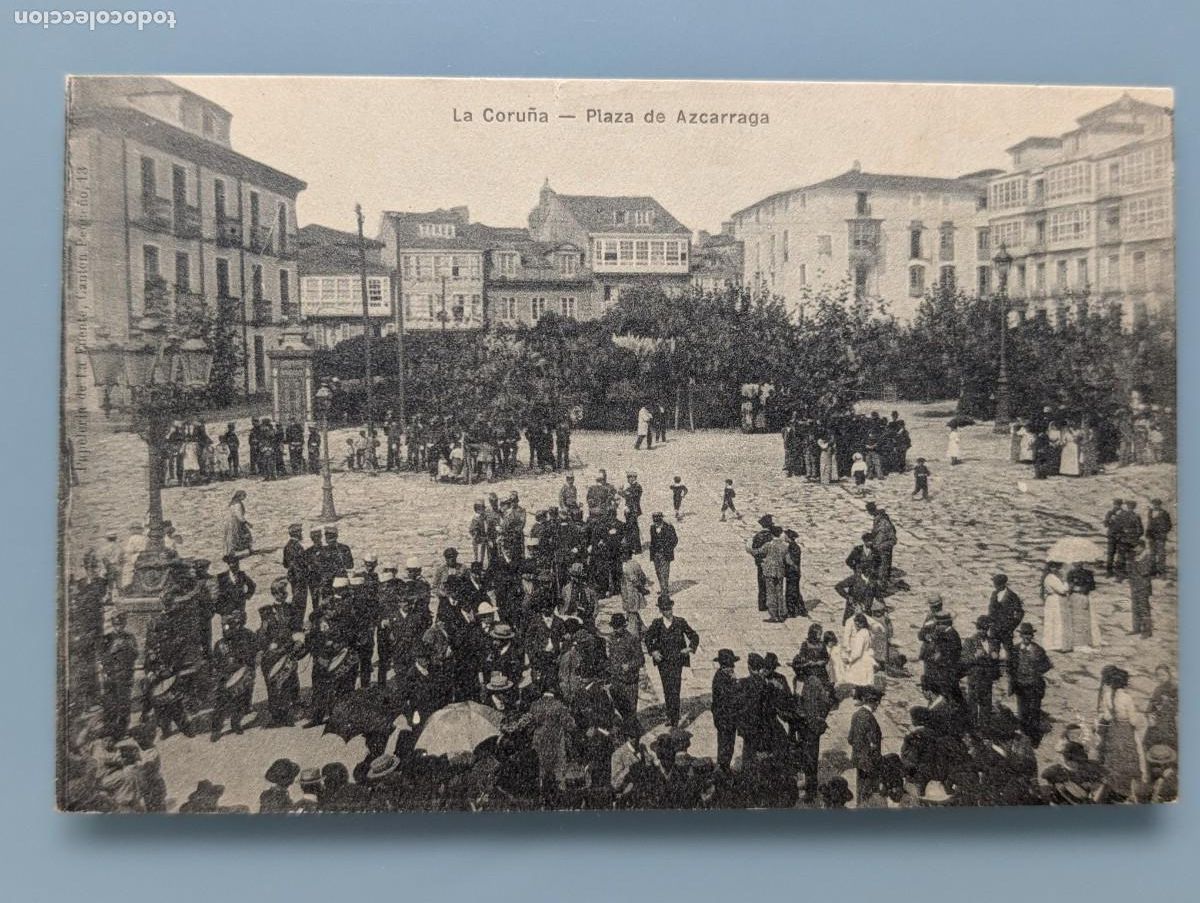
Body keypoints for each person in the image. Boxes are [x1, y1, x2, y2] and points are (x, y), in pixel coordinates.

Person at [643, 597, 699, 727]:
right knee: (667, 688)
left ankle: (675, 718)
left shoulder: (680, 622)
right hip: (663, 662)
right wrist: (654, 652)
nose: (668, 612)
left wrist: (690, 648)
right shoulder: (657, 624)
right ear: (661, 610)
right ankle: (670, 716)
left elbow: (694, 636)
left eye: (669, 608)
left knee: (675, 688)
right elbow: (647, 639)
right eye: (664, 609)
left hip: (677, 661)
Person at [1095, 666, 1148, 802]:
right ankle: (1126, 789)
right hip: (1125, 730)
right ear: (1124, 682)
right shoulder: (1126, 698)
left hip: (1114, 728)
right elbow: (1133, 720)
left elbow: (1106, 716)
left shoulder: (1107, 696)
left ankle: (1112, 786)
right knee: (1129, 756)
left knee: (1114, 757)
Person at [209, 610, 257, 741]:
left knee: (241, 701)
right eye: (225, 626)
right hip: (225, 677)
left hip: (241, 675)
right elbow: (215, 663)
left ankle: (236, 723)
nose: (227, 629)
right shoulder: (220, 644)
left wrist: (247, 670)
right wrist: (219, 675)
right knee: (220, 704)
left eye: (232, 625)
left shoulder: (248, 637)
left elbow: (253, 656)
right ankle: (216, 729)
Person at [1010, 622, 1052, 747]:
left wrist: (1037, 670)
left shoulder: (1038, 650)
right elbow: (1010, 666)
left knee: (1033, 713)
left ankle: (1034, 741)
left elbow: (1047, 665)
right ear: (1021, 636)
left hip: (1034, 687)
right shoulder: (1015, 649)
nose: (1027, 637)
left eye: (1029, 635)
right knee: (1022, 713)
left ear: (1032, 636)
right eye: (1024, 635)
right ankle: (1024, 739)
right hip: (1021, 687)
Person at [98, 612, 138, 739]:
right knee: (110, 704)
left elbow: (135, 655)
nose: (118, 627)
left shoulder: (130, 637)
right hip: (111, 676)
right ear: (113, 625)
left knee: (124, 704)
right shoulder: (108, 638)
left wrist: (128, 647)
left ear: (124, 624)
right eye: (116, 624)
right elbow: (102, 657)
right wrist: (113, 649)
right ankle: (110, 730)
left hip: (125, 675)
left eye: (120, 624)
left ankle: (123, 730)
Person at [848, 685, 884, 806]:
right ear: (875, 702)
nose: (877, 706)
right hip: (869, 762)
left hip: (859, 760)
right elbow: (873, 743)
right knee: (869, 793)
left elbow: (850, 739)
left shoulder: (856, 715)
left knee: (861, 790)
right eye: (878, 703)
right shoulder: (869, 718)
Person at [987, 574, 1024, 687]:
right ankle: (994, 673)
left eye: (996, 584)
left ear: (1003, 584)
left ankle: (1011, 672)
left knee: (1009, 649)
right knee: (993, 649)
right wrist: (990, 622)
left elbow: (1020, 613)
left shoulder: (1012, 596)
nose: (995, 586)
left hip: (1006, 629)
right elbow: (991, 610)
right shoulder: (994, 594)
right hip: (994, 628)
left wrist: (1012, 626)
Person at [962, 615, 998, 729]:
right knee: (972, 705)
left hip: (987, 680)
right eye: (981, 628)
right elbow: (963, 660)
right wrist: (974, 656)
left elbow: (996, 658)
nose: (983, 631)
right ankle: (972, 729)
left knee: (986, 705)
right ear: (977, 628)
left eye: (985, 628)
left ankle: (984, 729)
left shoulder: (993, 641)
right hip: (975, 679)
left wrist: (995, 656)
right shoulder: (970, 641)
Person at [752, 525, 789, 623]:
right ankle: (782, 613)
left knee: (771, 593)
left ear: (772, 534)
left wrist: (749, 548)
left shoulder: (769, 545)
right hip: (780, 571)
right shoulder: (785, 546)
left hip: (769, 571)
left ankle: (774, 615)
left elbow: (757, 552)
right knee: (780, 593)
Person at [711, 649, 741, 771]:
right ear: (724, 666)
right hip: (724, 719)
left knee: (729, 745)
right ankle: (723, 769)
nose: (733, 667)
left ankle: (725, 767)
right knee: (725, 745)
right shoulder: (720, 679)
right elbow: (729, 697)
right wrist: (735, 682)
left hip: (728, 719)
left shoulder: (724, 676)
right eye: (730, 665)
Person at [1066, 561, 1101, 651]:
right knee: (1074, 619)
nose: (1077, 565)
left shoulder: (1088, 573)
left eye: (1079, 563)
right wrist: (1071, 588)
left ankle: (1085, 641)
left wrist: (1084, 588)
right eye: (1076, 563)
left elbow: (1092, 586)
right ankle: (1076, 642)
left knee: (1084, 619)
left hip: (1083, 596)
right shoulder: (1070, 573)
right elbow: (1068, 586)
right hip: (1074, 596)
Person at [1040, 561, 1072, 653]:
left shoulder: (1055, 577)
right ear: (1049, 568)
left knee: (1057, 621)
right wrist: (1066, 581)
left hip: (1056, 600)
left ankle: (1057, 643)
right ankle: (1054, 644)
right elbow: (1062, 590)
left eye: (1057, 567)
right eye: (1053, 567)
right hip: (1054, 601)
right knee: (1055, 621)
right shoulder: (1050, 578)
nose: (1055, 569)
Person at [648, 512, 677, 600]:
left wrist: (667, 549)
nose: (656, 522)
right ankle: (663, 588)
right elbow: (653, 540)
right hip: (655, 554)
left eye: (658, 520)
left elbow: (674, 540)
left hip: (665, 554)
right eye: (654, 520)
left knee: (664, 573)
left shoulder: (669, 527)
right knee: (658, 573)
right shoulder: (652, 528)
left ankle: (664, 593)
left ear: (661, 519)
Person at [1128, 539, 1154, 638]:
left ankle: (1147, 631)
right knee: (1135, 607)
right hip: (1135, 586)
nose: (1134, 549)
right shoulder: (1136, 557)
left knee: (1144, 608)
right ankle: (1136, 628)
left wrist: (1136, 563)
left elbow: (1145, 571)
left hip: (1143, 586)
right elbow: (1130, 571)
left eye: (1136, 547)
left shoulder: (1148, 557)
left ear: (1141, 547)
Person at [844, 612, 877, 690]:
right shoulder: (868, 632)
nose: (857, 626)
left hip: (861, 660)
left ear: (863, 623)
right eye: (856, 624)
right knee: (866, 680)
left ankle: (860, 697)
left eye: (859, 624)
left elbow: (858, 652)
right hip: (867, 658)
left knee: (860, 681)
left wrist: (850, 659)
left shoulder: (860, 634)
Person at [783, 528, 806, 617]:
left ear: (789, 537)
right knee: (795, 591)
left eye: (786, 536)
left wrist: (785, 558)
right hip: (794, 572)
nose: (784, 537)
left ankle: (791, 612)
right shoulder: (793, 546)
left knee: (791, 592)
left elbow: (791, 561)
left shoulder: (793, 547)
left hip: (793, 572)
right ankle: (801, 610)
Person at [1146, 498, 1172, 576]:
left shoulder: (1165, 513)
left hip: (1160, 537)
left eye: (1157, 504)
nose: (1155, 506)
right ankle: (1153, 572)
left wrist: (1163, 531)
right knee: (1152, 554)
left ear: (1159, 505)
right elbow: (1149, 523)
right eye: (1154, 504)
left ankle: (1161, 572)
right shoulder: (1150, 512)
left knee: (1161, 554)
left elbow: (1169, 525)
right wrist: (1148, 532)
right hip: (1152, 536)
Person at [223, 490, 252, 558]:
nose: (245, 497)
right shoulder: (237, 504)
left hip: (231, 521)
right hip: (235, 522)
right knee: (239, 536)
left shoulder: (233, 502)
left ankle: (230, 552)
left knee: (233, 537)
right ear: (239, 496)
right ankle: (231, 553)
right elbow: (239, 515)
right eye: (243, 496)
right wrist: (246, 522)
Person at [1103, 498, 1124, 577]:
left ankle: (1113, 572)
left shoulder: (1122, 513)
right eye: (1116, 504)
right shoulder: (1110, 513)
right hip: (1114, 535)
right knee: (1113, 554)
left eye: (1117, 504)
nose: (1116, 506)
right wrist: (1110, 521)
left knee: (1116, 554)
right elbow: (1105, 524)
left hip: (1118, 535)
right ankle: (1110, 571)